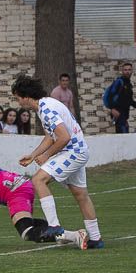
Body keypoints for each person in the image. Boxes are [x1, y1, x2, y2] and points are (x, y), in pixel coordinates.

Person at [13, 74, 104, 249]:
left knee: (38, 180)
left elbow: (63, 137)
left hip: (73, 152)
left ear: (25, 96)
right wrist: (33, 155)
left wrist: (46, 156)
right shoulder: (46, 105)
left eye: (17, 98)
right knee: (81, 195)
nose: (18, 102)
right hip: (78, 150)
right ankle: (95, 238)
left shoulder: (46, 109)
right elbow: (51, 136)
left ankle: (54, 226)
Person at [105, 61, 136, 133]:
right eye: (125, 70)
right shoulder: (119, 82)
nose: (127, 72)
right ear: (122, 71)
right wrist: (112, 109)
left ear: (132, 71)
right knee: (123, 137)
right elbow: (110, 95)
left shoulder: (128, 84)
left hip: (124, 117)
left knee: (124, 137)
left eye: (129, 70)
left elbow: (130, 101)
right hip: (118, 114)